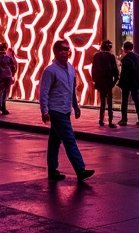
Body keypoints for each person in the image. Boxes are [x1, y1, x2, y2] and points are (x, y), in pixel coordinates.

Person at [38, 40, 93, 181]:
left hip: (66, 109)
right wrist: (44, 111)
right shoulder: (50, 70)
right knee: (69, 139)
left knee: (55, 140)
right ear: (55, 52)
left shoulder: (70, 69)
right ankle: (80, 169)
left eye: (67, 50)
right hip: (56, 110)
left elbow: (72, 90)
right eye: (62, 50)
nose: (65, 53)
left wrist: (76, 106)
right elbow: (43, 92)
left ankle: (52, 170)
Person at [90, 38, 119, 128]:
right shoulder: (111, 56)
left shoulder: (96, 56)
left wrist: (95, 80)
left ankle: (101, 120)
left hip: (100, 81)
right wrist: (114, 81)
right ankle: (110, 121)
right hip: (108, 81)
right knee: (109, 102)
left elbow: (93, 70)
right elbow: (115, 71)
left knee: (102, 101)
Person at [117, 40, 139, 126]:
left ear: (124, 49)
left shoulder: (125, 59)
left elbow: (124, 73)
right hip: (136, 82)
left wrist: (120, 83)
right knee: (137, 101)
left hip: (126, 83)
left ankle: (124, 119)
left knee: (124, 101)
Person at [0, 41, 15, 115]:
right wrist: (13, 75)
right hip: (8, 76)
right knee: (5, 92)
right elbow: (13, 68)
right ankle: (2, 107)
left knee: (1, 92)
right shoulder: (9, 58)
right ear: (6, 49)